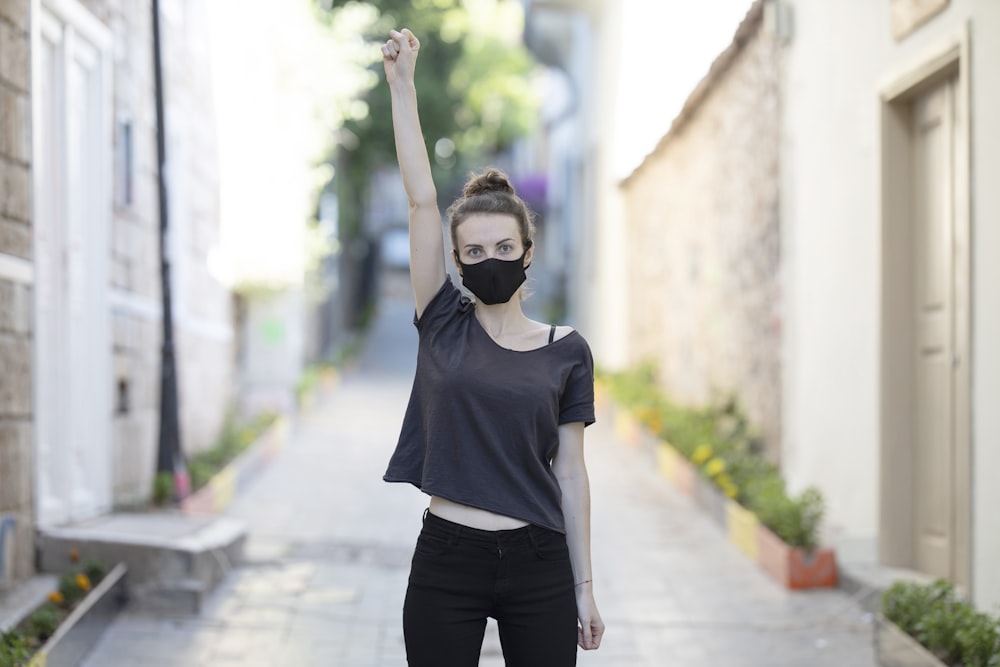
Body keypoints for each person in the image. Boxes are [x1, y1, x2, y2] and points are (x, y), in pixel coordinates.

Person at [380, 28, 605, 667]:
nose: (491, 260)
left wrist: (585, 589)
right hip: (448, 557)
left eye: (505, 248)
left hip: (540, 563)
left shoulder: (568, 351)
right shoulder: (442, 320)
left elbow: (570, 471)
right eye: (474, 252)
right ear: (457, 260)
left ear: (527, 254)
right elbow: (422, 199)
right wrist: (403, 88)